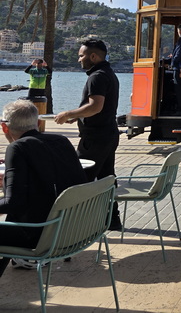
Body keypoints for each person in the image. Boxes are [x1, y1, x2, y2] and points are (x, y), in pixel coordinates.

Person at [0, 100, 86, 275]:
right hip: (72, 231)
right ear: (39, 123)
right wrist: (7, 182)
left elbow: (14, 203)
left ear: (4, 127)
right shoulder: (61, 141)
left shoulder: (18, 148)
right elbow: (48, 182)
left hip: (41, 236)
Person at [54, 38, 122, 230]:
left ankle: (72, 225)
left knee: (78, 179)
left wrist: (69, 114)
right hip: (108, 134)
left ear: (93, 56)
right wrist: (79, 116)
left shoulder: (97, 76)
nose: (79, 59)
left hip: (95, 138)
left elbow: (95, 107)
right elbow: (99, 109)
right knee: (106, 178)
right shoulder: (108, 73)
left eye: (81, 55)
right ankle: (112, 220)